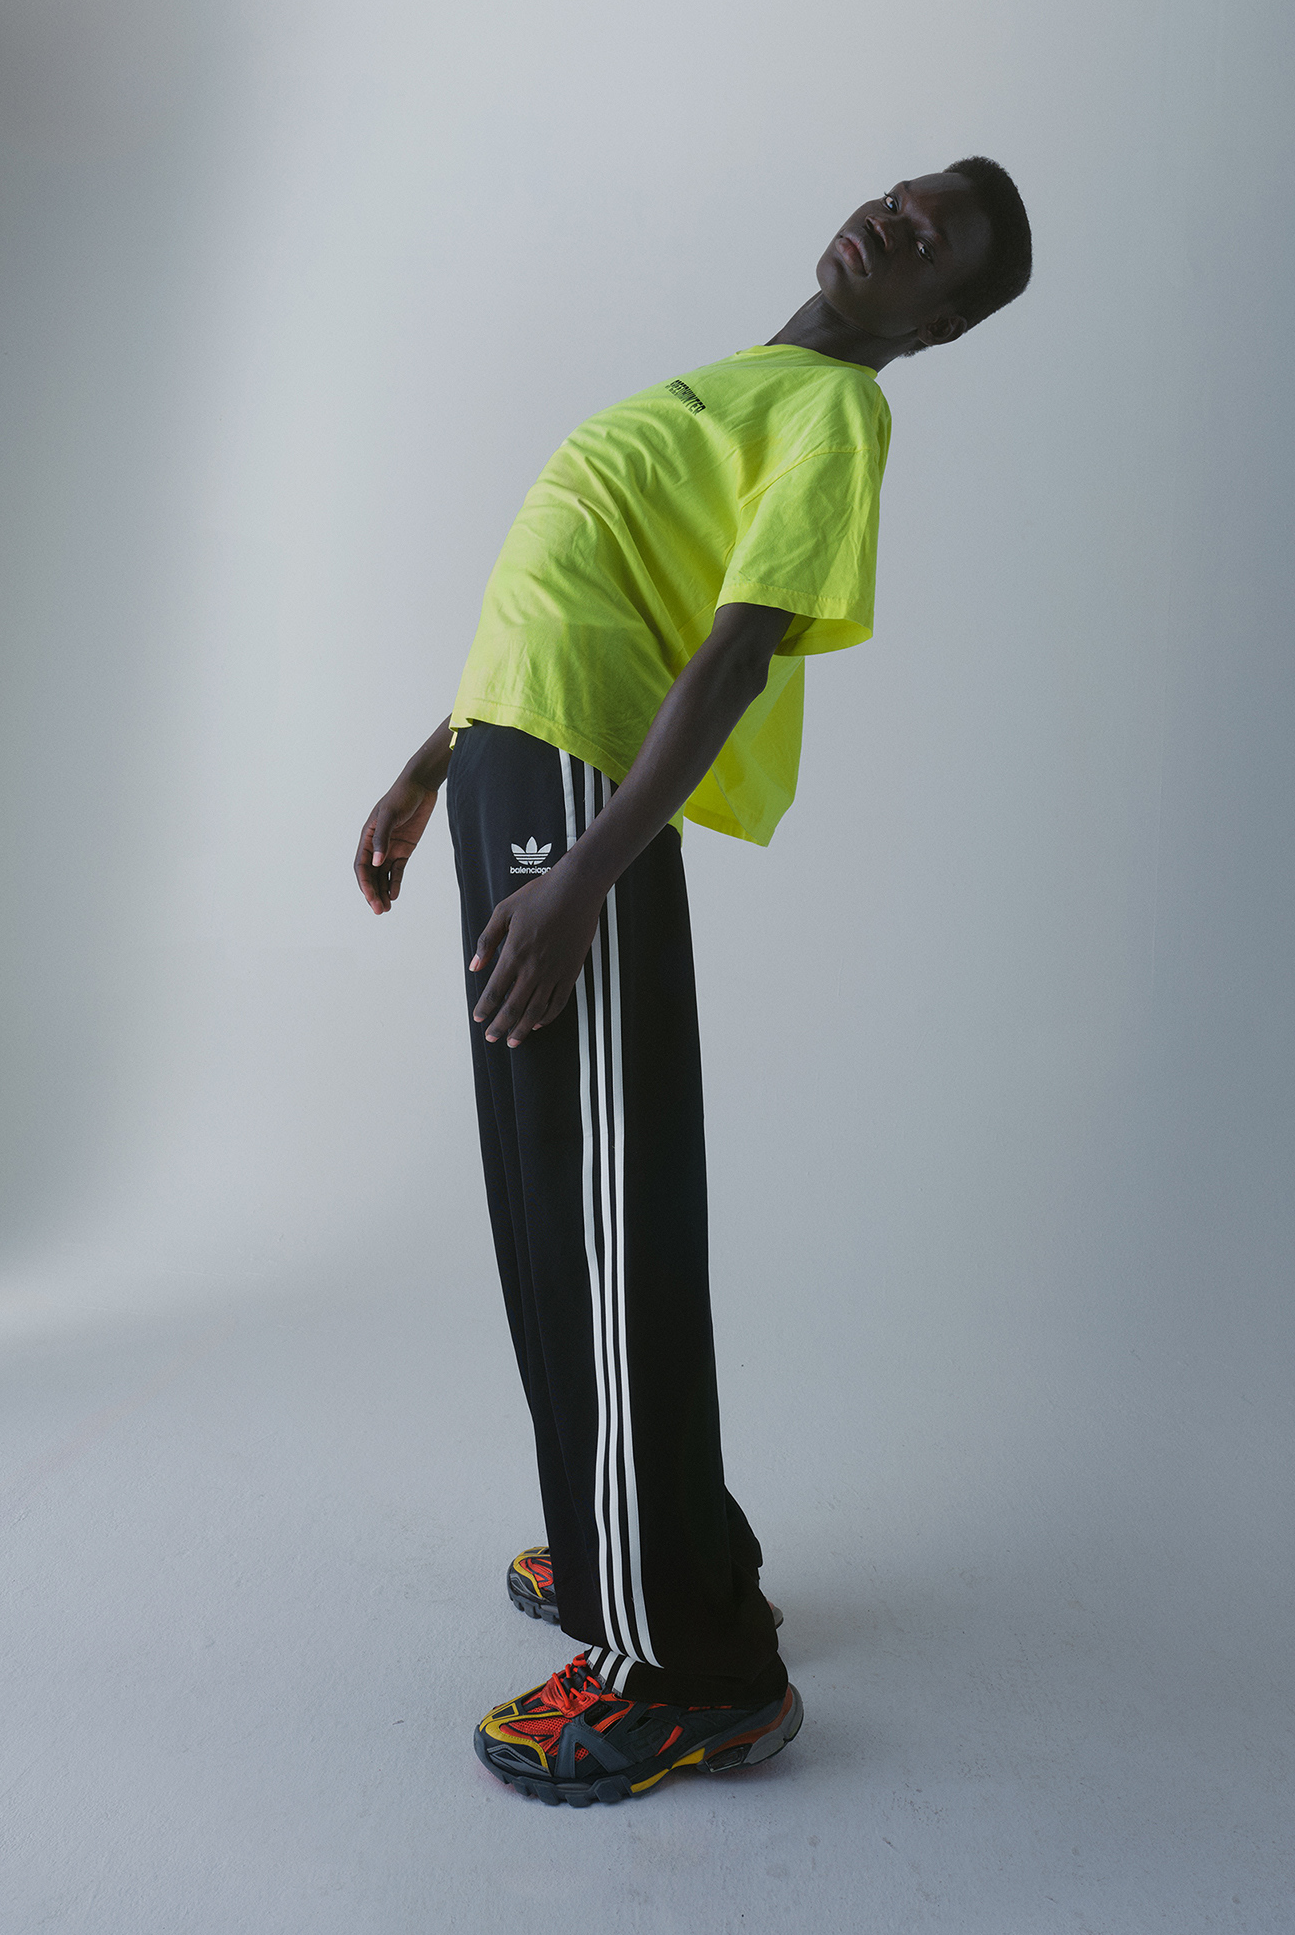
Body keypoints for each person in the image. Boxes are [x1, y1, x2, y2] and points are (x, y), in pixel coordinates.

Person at [354, 160, 1032, 1808]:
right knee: (548, 1207)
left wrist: (588, 871)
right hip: (524, 761)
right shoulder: (746, 380)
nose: (894, 218)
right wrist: (436, 761)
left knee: (603, 1219)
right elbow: (582, 587)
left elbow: (732, 650)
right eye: (904, 194)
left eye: (930, 240)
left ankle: (689, 1672)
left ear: (936, 319)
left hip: (580, 799)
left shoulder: (840, 412)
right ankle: (639, 1552)